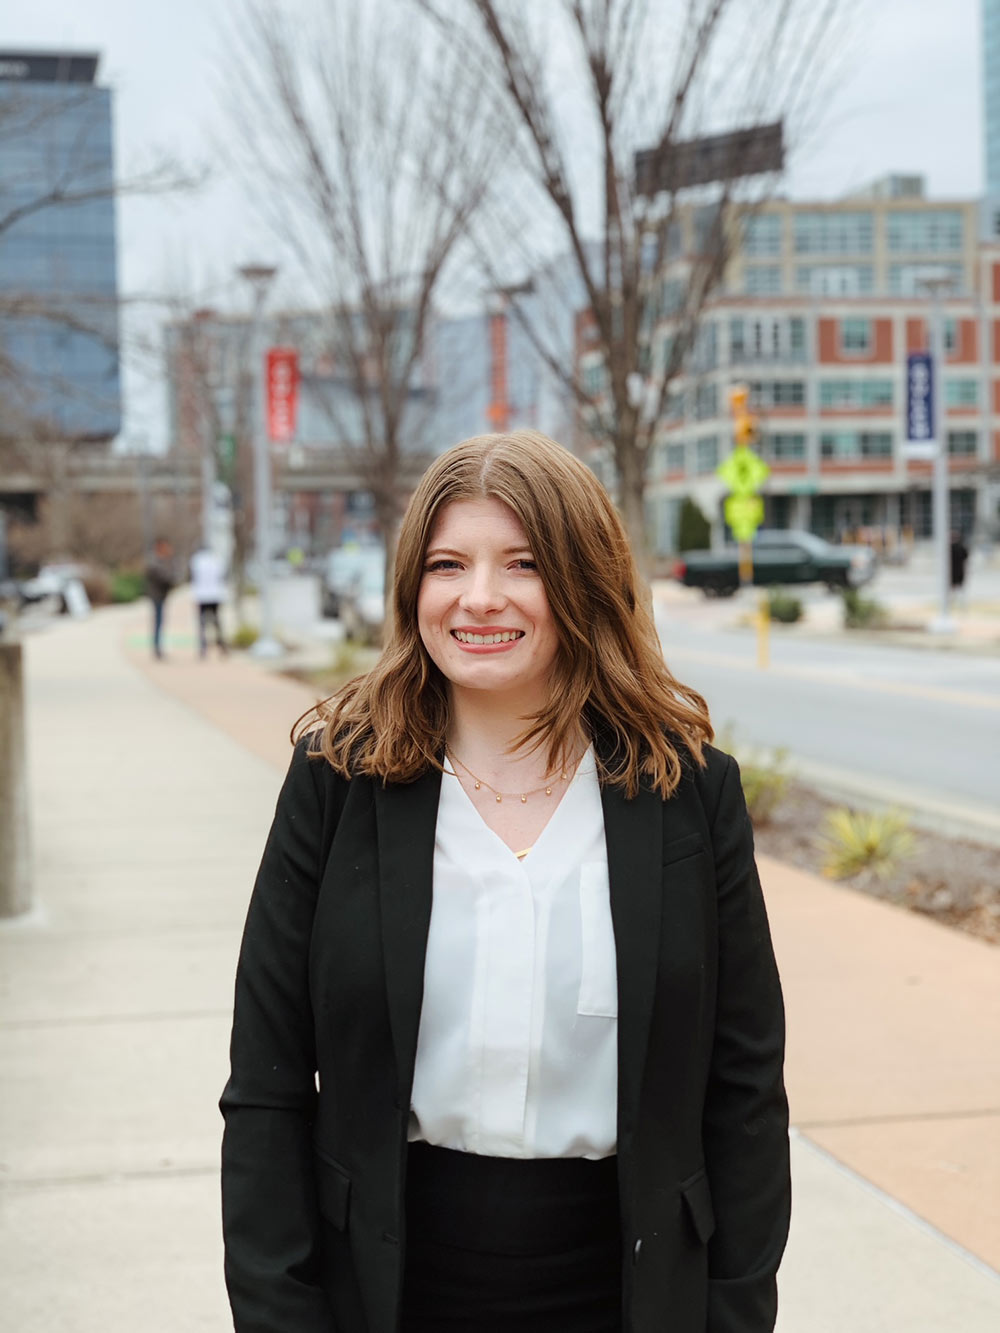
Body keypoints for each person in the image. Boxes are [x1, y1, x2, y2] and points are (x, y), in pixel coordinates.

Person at [220, 431, 790, 1333]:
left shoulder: (686, 792)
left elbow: (746, 1089)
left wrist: (735, 1314)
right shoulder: (337, 784)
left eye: (521, 563)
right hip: (387, 1288)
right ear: (414, 586)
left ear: (583, 582)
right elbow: (267, 1085)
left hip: (630, 1289)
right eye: (448, 563)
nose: (478, 597)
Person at [190, 545, 229, 658]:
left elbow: (193, 577)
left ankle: (203, 647)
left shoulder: (196, 560)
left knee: (202, 622)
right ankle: (221, 645)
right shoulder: (216, 560)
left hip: (201, 595)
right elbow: (223, 576)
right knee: (216, 621)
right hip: (215, 594)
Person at [144, 537, 175, 660]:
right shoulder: (155, 562)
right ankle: (157, 648)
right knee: (158, 622)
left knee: (160, 622)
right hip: (157, 595)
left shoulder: (162, 561)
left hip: (161, 595)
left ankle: (158, 647)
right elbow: (163, 577)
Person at [949, 530, 969, 598]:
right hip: (958, 569)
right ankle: (958, 598)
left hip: (954, 569)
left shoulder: (949, 548)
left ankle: (955, 598)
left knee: (955, 586)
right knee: (958, 585)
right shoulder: (961, 547)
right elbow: (966, 559)